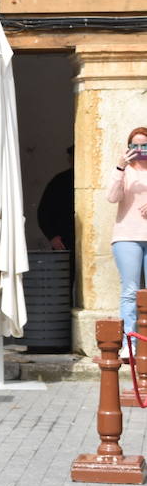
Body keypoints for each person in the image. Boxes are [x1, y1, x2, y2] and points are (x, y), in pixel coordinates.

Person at [109, 128, 147, 349]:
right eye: (135, 146)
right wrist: (120, 166)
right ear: (128, 147)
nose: (140, 150)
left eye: (144, 145)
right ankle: (129, 343)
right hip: (127, 237)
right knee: (130, 291)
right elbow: (111, 197)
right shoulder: (124, 170)